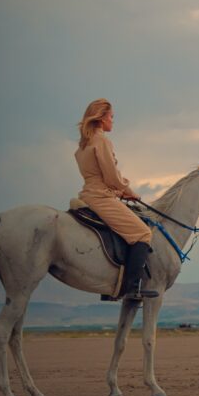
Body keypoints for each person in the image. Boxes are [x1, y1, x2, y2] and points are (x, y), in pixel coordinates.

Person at [75, 99, 158, 301]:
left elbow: (97, 177)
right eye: (111, 117)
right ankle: (130, 287)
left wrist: (120, 194)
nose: (113, 121)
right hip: (101, 197)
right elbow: (111, 177)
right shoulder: (102, 141)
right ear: (102, 118)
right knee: (143, 233)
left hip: (88, 194)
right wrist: (128, 190)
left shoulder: (83, 145)